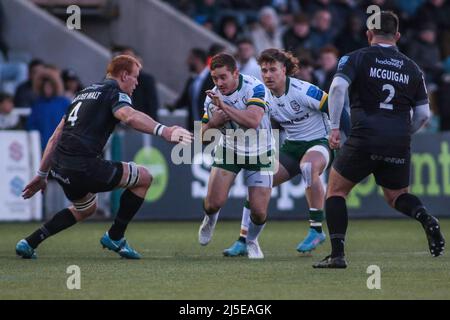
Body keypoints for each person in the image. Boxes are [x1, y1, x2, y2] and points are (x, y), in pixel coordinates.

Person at [16, 55, 192, 259]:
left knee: (86, 208)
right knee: (144, 178)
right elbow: (129, 116)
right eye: (135, 77)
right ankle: (116, 236)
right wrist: (165, 130)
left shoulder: (82, 93)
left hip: (61, 167)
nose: (137, 82)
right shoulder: (114, 92)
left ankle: (29, 242)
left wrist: (42, 173)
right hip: (84, 166)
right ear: (124, 75)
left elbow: (56, 137)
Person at [313, 11, 445, 268]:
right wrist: (404, 134)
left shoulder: (356, 57)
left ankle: (337, 255)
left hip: (365, 135)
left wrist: (335, 128)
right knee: (397, 196)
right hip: (398, 139)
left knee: (336, 191)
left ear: (368, 34)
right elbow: (424, 115)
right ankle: (425, 217)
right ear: (397, 36)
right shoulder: (412, 67)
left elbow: (338, 88)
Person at [223, 48, 350, 257]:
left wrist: (347, 137)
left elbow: (335, 106)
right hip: (291, 146)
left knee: (308, 167)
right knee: (259, 180)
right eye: (264, 70)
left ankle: (316, 230)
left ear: (284, 70)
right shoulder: (262, 95)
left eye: (273, 69)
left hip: (319, 142)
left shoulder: (303, 90)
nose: (267, 75)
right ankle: (244, 239)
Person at [198, 53, 273, 259]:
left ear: (235, 73)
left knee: (259, 212)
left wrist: (224, 108)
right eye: (214, 78)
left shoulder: (255, 87)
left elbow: (253, 121)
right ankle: (209, 220)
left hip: (261, 150)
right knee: (212, 203)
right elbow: (201, 138)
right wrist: (213, 123)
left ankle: (251, 240)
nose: (219, 83)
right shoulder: (211, 97)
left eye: (223, 77)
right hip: (229, 149)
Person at [170, 48, 214, 131]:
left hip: (211, 126)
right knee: (197, 144)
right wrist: (173, 107)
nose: (187, 62)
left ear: (197, 60)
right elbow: (185, 99)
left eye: (190, 58)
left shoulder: (213, 78)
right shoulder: (192, 80)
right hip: (195, 126)